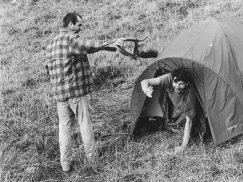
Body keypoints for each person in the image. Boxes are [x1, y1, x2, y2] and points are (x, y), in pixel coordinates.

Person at [45, 12, 125, 172]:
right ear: (70, 25)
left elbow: (47, 69)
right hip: (76, 93)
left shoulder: (51, 44)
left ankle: (65, 164)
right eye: (79, 25)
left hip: (60, 95)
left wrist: (109, 46)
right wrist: (111, 42)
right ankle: (93, 160)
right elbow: (88, 45)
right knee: (85, 124)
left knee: (64, 128)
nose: (81, 28)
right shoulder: (71, 38)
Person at [140, 67, 198, 154]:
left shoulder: (190, 94)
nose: (177, 87)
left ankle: (170, 124)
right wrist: (146, 90)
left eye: (181, 84)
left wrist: (184, 145)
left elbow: (189, 121)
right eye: (175, 82)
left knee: (187, 129)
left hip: (181, 109)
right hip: (171, 105)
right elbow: (145, 81)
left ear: (187, 84)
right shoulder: (169, 78)